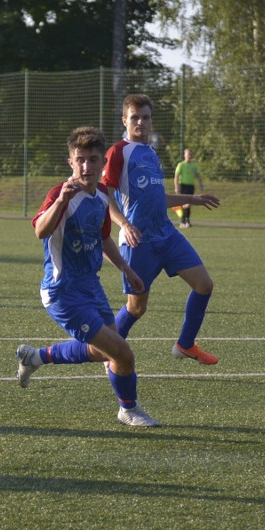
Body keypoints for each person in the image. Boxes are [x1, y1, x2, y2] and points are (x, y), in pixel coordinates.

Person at [15, 126, 159, 427]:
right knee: (122, 353)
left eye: (93, 160)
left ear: (102, 164)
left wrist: (127, 269)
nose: (86, 166)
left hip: (90, 286)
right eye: (80, 159)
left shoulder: (102, 196)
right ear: (70, 162)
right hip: (62, 291)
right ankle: (128, 409)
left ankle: (35, 357)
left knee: (99, 351)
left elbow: (104, 237)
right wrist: (60, 202)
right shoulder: (60, 193)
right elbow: (40, 231)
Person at [102, 94, 221, 365]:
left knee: (204, 285)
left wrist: (193, 199)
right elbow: (106, 197)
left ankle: (186, 344)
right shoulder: (118, 151)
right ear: (125, 120)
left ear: (151, 121)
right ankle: (109, 351)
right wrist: (125, 224)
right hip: (138, 242)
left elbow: (157, 199)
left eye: (145, 117)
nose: (140, 122)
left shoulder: (152, 154)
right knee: (137, 307)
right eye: (135, 118)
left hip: (167, 235)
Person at [173, 148, 205, 228]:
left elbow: (198, 176)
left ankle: (187, 220)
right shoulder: (181, 165)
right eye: (187, 154)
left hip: (190, 186)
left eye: (190, 155)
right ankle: (182, 221)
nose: (189, 156)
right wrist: (176, 187)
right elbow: (176, 176)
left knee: (189, 203)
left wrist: (201, 186)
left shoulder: (194, 165)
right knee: (183, 203)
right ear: (184, 155)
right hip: (183, 186)